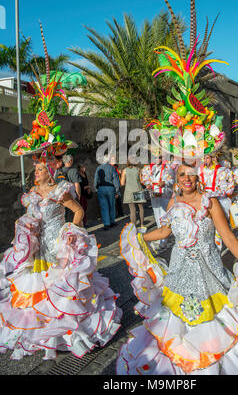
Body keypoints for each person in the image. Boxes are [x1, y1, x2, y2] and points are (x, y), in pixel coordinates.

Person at [1, 26, 122, 359]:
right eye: (36, 167)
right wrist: (24, 232)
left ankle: (70, 332)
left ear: (50, 169)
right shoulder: (32, 193)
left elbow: (79, 210)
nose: (38, 170)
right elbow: (29, 217)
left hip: (58, 243)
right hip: (38, 246)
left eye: (41, 167)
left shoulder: (60, 189)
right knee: (34, 288)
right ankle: (38, 330)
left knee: (64, 290)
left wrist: (72, 234)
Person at [118, 163, 238, 375]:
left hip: (209, 271)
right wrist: (139, 237)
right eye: (182, 175)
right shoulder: (173, 202)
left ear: (197, 177)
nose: (187, 179)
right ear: (176, 178)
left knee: (215, 319)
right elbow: (165, 232)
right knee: (176, 318)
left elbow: (228, 236)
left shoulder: (209, 202)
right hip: (179, 271)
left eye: (191, 175)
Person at [198, 153, 235, 250]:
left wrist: (211, 194)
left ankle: (218, 250)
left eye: (207, 158)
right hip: (204, 201)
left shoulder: (223, 171)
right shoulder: (200, 170)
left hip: (220, 202)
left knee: (219, 228)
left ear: (213, 158)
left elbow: (228, 190)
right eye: (203, 158)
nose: (204, 161)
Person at [144, 151, 175, 251]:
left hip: (164, 195)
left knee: (164, 216)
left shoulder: (167, 168)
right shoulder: (149, 168)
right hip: (154, 195)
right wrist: (147, 185)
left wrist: (165, 183)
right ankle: (161, 237)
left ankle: (163, 239)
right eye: (155, 158)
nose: (157, 159)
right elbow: (146, 179)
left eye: (159, 157)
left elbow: (172, 180)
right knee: (157, 217)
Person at [94, 155, 121, 230]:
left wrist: (96, 188)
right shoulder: (112, 168)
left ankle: (106, 224)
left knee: (104, 207)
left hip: (101, 188)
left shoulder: (98, 168)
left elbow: (95, 179)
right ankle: (112, 221)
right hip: (111, 188)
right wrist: (117, 190)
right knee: (112, 205)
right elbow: (116, 180)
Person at [120, 158, 146, 231]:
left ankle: (134, 227)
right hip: (138, 190)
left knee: (132, 210)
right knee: (141, 208)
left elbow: (122, 183)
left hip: (129, 191)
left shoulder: (125, 170)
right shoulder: (139, 169)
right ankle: (142, 225)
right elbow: (142, 181)